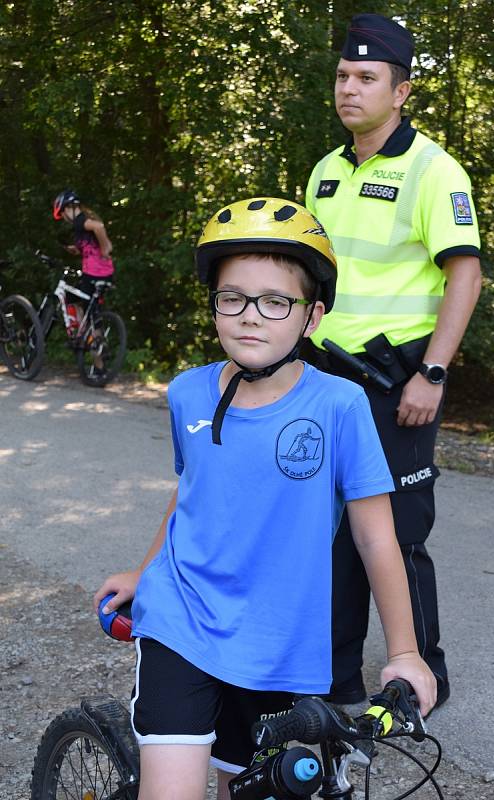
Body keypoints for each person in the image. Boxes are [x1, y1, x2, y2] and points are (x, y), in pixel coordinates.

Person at [93, 197, 436, 800]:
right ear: (216, 305)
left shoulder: (340, 406)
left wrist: (405, 653)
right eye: (233, 298)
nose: (251, 316)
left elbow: (376, 536)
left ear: (312, 316)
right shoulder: (187, 393)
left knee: (249, 789)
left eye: (276, 301)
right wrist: (145, 572)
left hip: (281, 643)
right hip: (184, 622)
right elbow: (192, 492)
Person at [305, 13, 482, 709]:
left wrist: (432, 373)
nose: (349, 89)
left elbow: (463, 275)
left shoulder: (434, 170)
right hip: (322, 375)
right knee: (328, 532)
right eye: (343, 76)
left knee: (399, 532)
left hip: (395, 382)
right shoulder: (325, 170)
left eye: (366, 78)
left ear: (400, 91)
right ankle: (334, 677)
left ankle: (421, 678)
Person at [53, 189, 115, 297]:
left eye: (62, 213)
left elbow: (98, 227)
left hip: (94, 272)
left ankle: (85, 314)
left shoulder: (80, 221)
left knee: (69, 298)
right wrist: (77, 249)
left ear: (68, 208)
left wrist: (105, 249)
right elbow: (94, 246)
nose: (63, 218)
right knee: (89, 308)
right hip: (104, 271)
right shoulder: (84, 219)